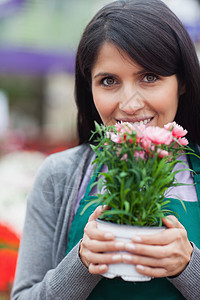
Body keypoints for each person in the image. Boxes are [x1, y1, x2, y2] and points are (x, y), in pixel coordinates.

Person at [11, 0, 200, 299]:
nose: (129, 103)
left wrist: (189, 266)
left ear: (183, 83)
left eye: (150, 77)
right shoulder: (59, 175)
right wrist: (82, 262)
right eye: (109, 81)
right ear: (90, 87)